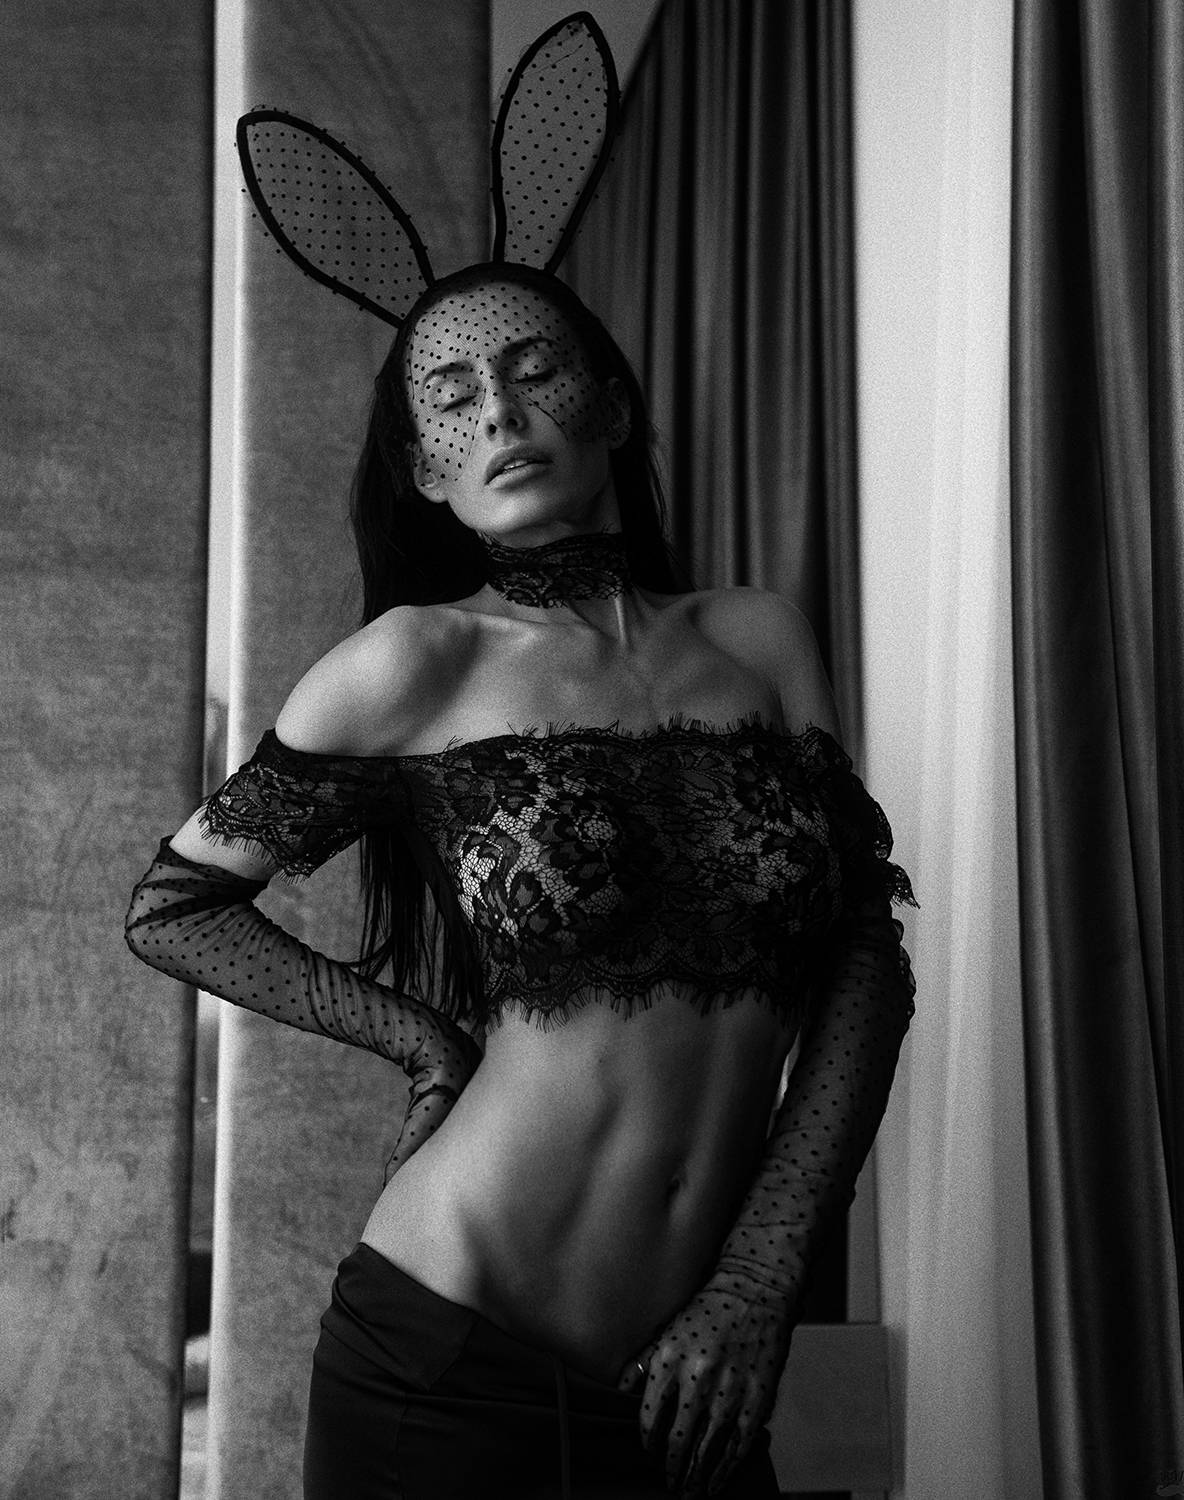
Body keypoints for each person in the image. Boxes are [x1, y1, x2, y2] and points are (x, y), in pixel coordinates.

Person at [126, 257, 915, 1499]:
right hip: (445, 1363)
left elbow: (864, 954)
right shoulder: (416, 662)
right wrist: (423, 1041)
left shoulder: (759, 640)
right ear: (428, 472)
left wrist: (763, 1275)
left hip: (688, 1379)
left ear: (612, 405)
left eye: (533, 369)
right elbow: (175, 909)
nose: (497, 410)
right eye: (452, 399)